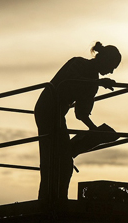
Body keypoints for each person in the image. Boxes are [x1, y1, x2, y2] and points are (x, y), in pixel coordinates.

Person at [34, 41, 121, 201]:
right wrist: (98, 83)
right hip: (47, 109)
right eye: (112, 66)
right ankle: (51, 200)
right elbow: (73, 80)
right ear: (104, 60)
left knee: (61, 161)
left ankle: (54, 198)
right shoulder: (78, 63)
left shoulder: (93, 84)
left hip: (57, 115)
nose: (111, 72)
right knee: (57, 160)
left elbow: (81, 113)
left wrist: (95, 131)